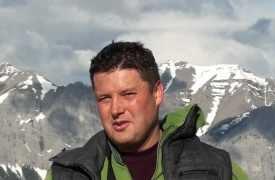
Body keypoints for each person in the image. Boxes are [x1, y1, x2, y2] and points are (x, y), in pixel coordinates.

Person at [45, 41, 247, 180]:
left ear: (157, 93)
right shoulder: (67, 174)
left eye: (128, 94)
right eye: (104, 98)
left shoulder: (215, 169)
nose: (115, 109)